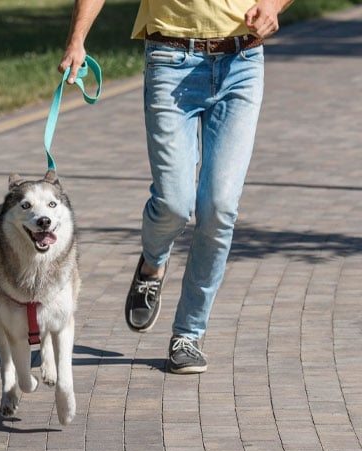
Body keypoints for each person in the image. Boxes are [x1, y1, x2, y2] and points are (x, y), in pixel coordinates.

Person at [59, 0, 294, 374]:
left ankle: (189, 333)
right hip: (171, 58)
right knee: (173, 202)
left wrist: (273, 5)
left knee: (219, 207)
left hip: (242, 63)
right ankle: (152, 265)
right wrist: (77, 40)